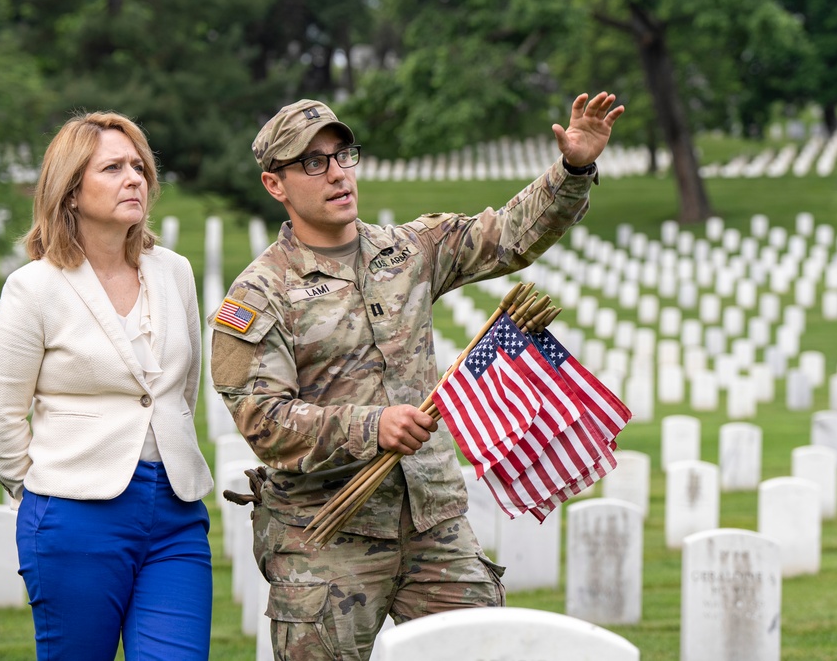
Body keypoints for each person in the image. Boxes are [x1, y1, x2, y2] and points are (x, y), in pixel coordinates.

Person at [211, 93, 624, 660]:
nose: (336, 173)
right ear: (274, 184)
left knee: (484, 653)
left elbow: (510, 236)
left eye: (342, 155)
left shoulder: (409, 250)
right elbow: (262, 420)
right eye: (312, 162)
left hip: (433, 520)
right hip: (327, 538)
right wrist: (370, 427)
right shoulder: (258, 296)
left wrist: (573, 168)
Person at [0, 111, 214, 660]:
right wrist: (48, 496)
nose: (134, 178)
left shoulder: (174, 271)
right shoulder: (33, 289)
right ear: (71, 191)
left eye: (139, 166)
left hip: (175, 514)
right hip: (74, 517)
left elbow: (180, 393)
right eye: (113, 167)